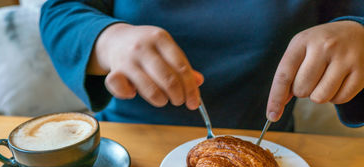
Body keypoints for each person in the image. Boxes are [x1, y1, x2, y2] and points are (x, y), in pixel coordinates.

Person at [40, 1, 364, 131]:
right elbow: (62, 11)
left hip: (271, 147)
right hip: (131, 147)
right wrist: (108, 40)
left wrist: (357, 31)